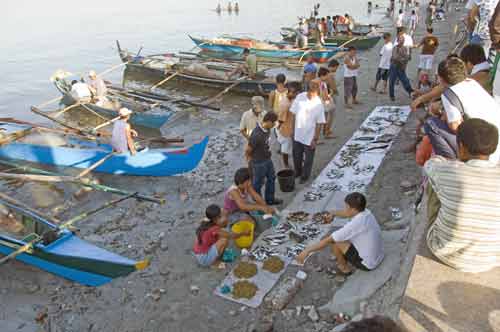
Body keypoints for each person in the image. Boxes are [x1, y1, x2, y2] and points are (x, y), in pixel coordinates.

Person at [425, 119, 500, 272]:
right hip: (492, 258)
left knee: (433, 183)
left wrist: (454, 162)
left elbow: (429, 164)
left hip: (445, 252)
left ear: (461, 147)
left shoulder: (448, 171)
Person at [296, 192, 384, 274]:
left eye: (346, 207)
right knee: (340, 237)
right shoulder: (365, 212)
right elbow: (346, 214)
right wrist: (332, 213)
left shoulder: (355, 224)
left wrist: (307, 251)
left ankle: (344, 268)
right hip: (379, 255)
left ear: (353, 209)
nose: (345, 209)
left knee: (335, 241)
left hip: (369, 264)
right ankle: (341, 256)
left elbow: (328, 240)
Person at [437, 57, 500, 162]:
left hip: (482, 144)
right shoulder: (471, 82)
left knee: (431, 124)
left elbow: (455, 127)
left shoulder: (449, 94)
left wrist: (443, 115)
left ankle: (451, 160)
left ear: (441, 79)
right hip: (494, 136)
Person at [291, 80, 326, 183]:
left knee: (308, 159)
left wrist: (315, 139)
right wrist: (293, 131)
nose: (310, 94)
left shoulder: (319, 104)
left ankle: (305, 176)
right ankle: (297, 172)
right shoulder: (300, 97)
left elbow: (320, 123)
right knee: (296, 156)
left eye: (313, 92)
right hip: (297, 134)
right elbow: (293, 114)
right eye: (309, 92)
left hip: (310, 136)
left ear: (316, 92)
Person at [246, 112, 282, 206]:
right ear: (269, 122)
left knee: (271, 178)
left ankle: (270, 199)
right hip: (258, 163)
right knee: (257, 184)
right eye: (273, 123)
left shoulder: (268, 129)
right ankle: (259, 203)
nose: (274, 125)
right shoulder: (256, 135)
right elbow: (248, 150)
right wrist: (250, 162)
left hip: (268, 160)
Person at [277, 81, 301, 169]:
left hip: (292, 127)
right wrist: (279, 130)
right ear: (289, 92)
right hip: (286, 129)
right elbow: (280, 120)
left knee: (288, 147)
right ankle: (286, 164)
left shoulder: (291, 99)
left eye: (297, 93)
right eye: (295, 93)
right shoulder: (285, 104)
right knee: (285, 149)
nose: (297, 95)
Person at [389, 34, 414, 101]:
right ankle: (392, 95)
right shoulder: (395, 48)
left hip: (400, 67)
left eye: (403, 40)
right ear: (398, 41)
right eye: (401, 39)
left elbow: (407, 58)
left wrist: (405, 59)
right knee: (392, 81)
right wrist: (404, 59)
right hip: (394, 67)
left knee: (405, 80)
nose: (402, 41)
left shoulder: (404, 48)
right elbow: (395, 58)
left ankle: (410, 92)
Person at [318, 67, 336, 139]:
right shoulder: (322, 84)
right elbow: (324, 96)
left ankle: (325, 132)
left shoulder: (319, 82)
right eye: (326, 75)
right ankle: (326, 132)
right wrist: (330, 94)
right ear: (322, 75)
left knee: (325, 117)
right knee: (329, 116)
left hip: (322, 102)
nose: (328, 77)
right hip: (325, 102)